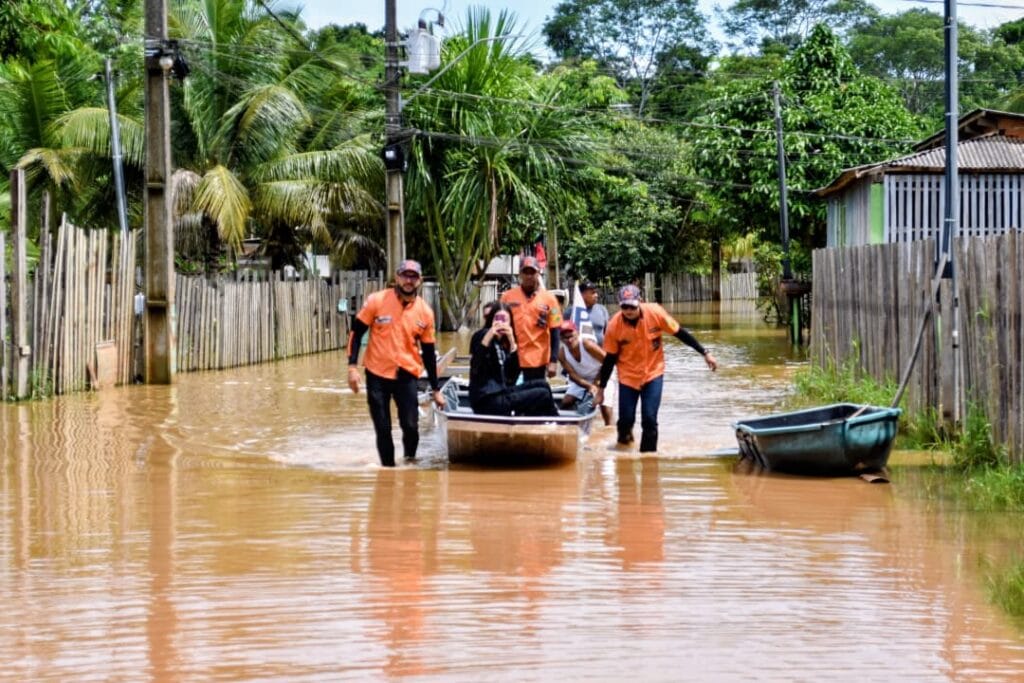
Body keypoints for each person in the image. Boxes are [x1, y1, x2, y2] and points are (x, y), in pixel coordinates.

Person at [594, 284, 718, 452]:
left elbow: (680, 333)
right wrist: (601, 389)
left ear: (640, 301)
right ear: (619, 305)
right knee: (625, 420)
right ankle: (623, 451)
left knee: (649, 419)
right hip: (628, 377)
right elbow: (610, 359)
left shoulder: (655, 312)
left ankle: (649, 460)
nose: (628, 310)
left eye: (632, 306)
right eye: (624, 306)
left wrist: (705, 352)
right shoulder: (614, 325)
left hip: (653, 374)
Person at [347, 259, 446, 467]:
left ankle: (410, 462)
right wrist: (352, 367)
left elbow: (428, 353)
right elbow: (356, 333)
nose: (408, 281)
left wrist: (436, 389)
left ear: (419, 281)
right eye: (405, 275)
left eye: (413, 277)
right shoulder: (377, 301)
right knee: (382, 427)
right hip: (377, 373)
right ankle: (388, 470)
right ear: (397, 277)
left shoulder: (425, 312)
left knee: (411, 426)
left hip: (407, 374)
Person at [469, 301, 559, 417]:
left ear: (510, 323)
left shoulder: (502, 343)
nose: (500, 323)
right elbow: (476, 365)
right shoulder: (481, 335)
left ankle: (543, 420)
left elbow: (511, 377)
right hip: (486, 399)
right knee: (542, 394)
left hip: (500, 393)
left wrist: (512, 342)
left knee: (543, 385)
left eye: (504, 320)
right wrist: (489, 335)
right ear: (491, 319)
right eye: (497, 318)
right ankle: (555, 423)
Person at [500, 255, 563, 381]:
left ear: (538, 273)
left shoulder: (550, 299)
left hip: (537, 358)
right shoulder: (507, 297)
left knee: (534, 395)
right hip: (511, 354)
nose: (529, 276)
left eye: (532, 272)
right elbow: (498, 326)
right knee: (505, 392)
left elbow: (555, 332)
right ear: (520, 274)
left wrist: (553, 361)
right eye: (525, 272)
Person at [557, 320, 613, 426]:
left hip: (603, 375)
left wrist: (597, 383)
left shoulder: (587, 344)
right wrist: (589, 386)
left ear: (577, 333)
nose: (569, 340)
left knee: (605, 408)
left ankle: (612, 432)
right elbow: (572, 375)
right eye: (565, 337)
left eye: (571, 336)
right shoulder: (562, 353)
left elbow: (607, 362)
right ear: (561, 339)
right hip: (583, 379)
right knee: (566, 401)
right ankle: (571, 425)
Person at [579, 280, 609, 345]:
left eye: (596, 293)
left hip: (600, 352)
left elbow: (608, 333)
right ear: (582, 294)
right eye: (593, 293)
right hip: (580, 353)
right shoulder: (572, 312)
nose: (596, 295)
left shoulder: (602, 309)